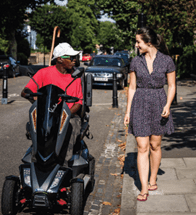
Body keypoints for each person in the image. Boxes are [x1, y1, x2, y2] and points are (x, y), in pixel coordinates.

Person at [124, 27, 176, 201]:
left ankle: (153, 178)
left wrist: (168, 105)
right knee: (142, 147)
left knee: (155, 145)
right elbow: (131, 88)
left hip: (159, 102)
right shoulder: (135, 62)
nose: (136, 45)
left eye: (138, 41)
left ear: (149, 42)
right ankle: (144, 187)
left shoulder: (167, 61)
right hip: (140, 103)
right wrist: (128, 111)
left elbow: (172, 86)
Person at [21, 42, 83, 165]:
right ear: (59, 59)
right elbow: (25, 91)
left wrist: (65, 116)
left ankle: (64, 164)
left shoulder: (75, 78)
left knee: (70, 126)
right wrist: (35, 102)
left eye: (74, 57)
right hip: (47, 115)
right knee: (36, 127)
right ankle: (36, 163)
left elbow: (79, 102)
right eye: (70, 57)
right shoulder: (44, 73)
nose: (74, 60)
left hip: (68, 116)